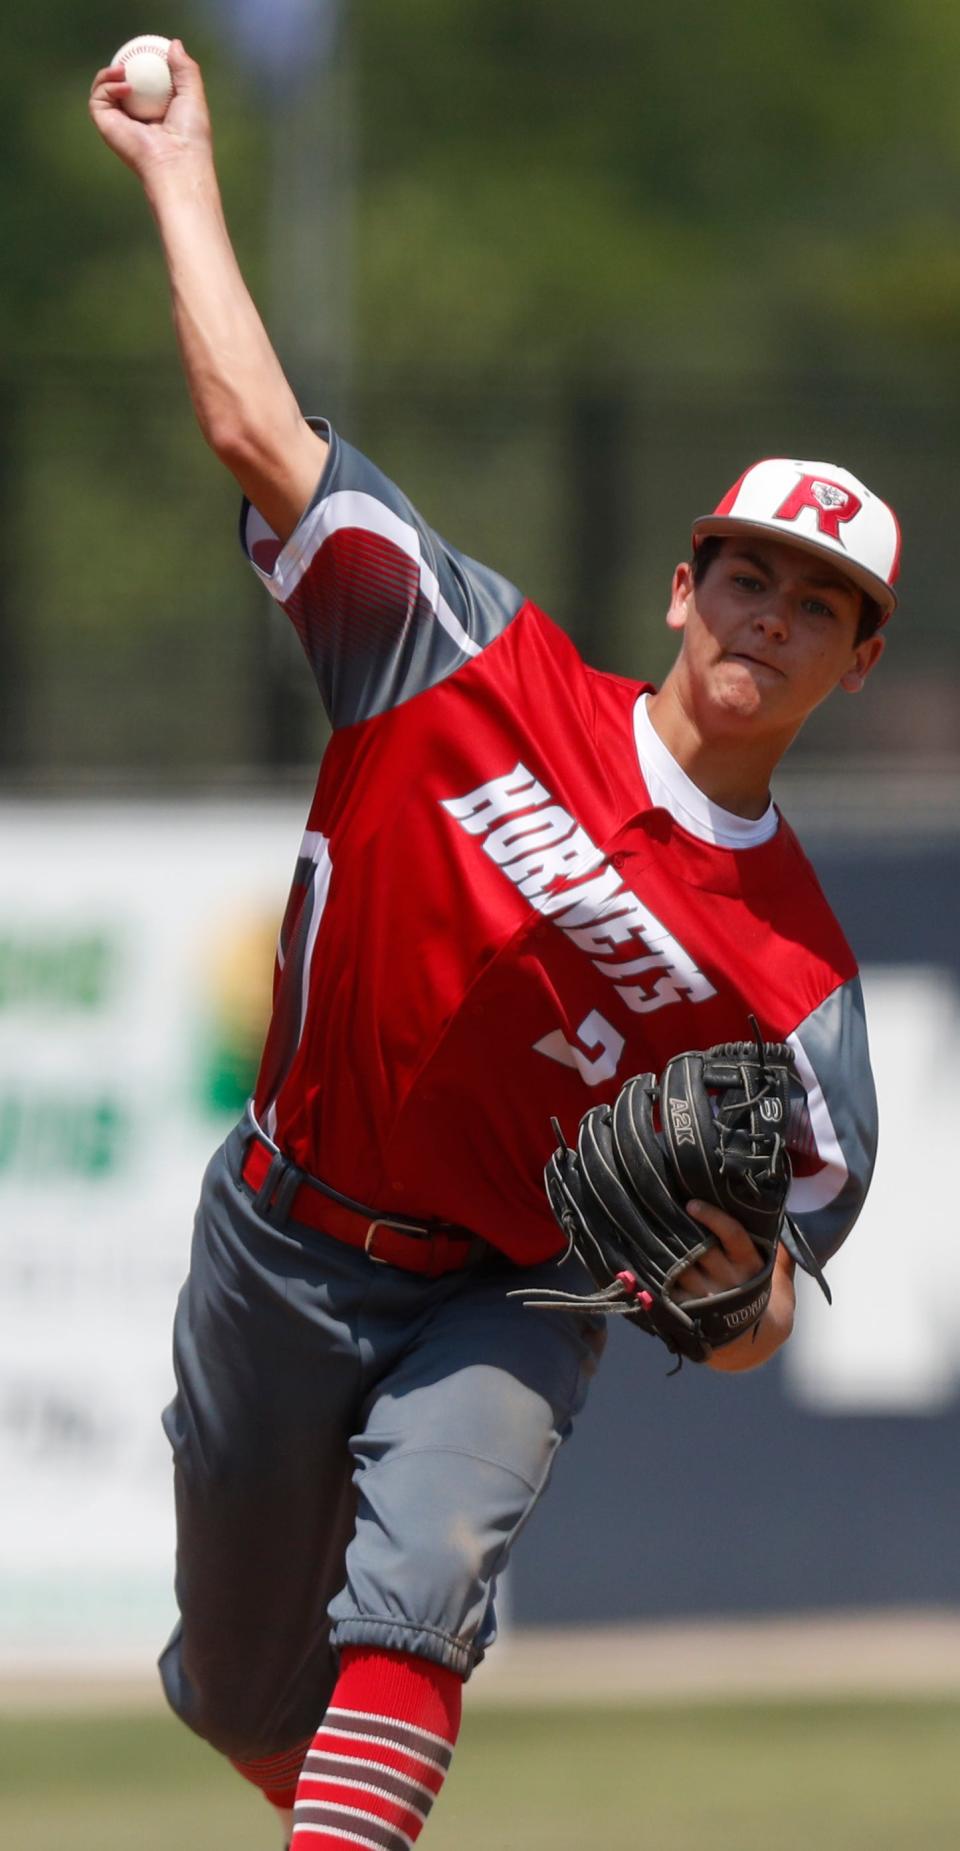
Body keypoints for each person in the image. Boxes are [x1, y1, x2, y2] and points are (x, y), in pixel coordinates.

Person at [90, 41, 897, 1851]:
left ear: (858, 666)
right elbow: (254, 435)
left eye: (825, 606)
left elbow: (773, 1307)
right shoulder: (458, 653)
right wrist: (180, 164)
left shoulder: (801, 989)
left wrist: (717, 1283)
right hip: (281, 1229)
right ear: (684, 588)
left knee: (425, 1580)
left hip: (500, 1293)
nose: (776, 613)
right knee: (233, 1689)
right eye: (752, 573)